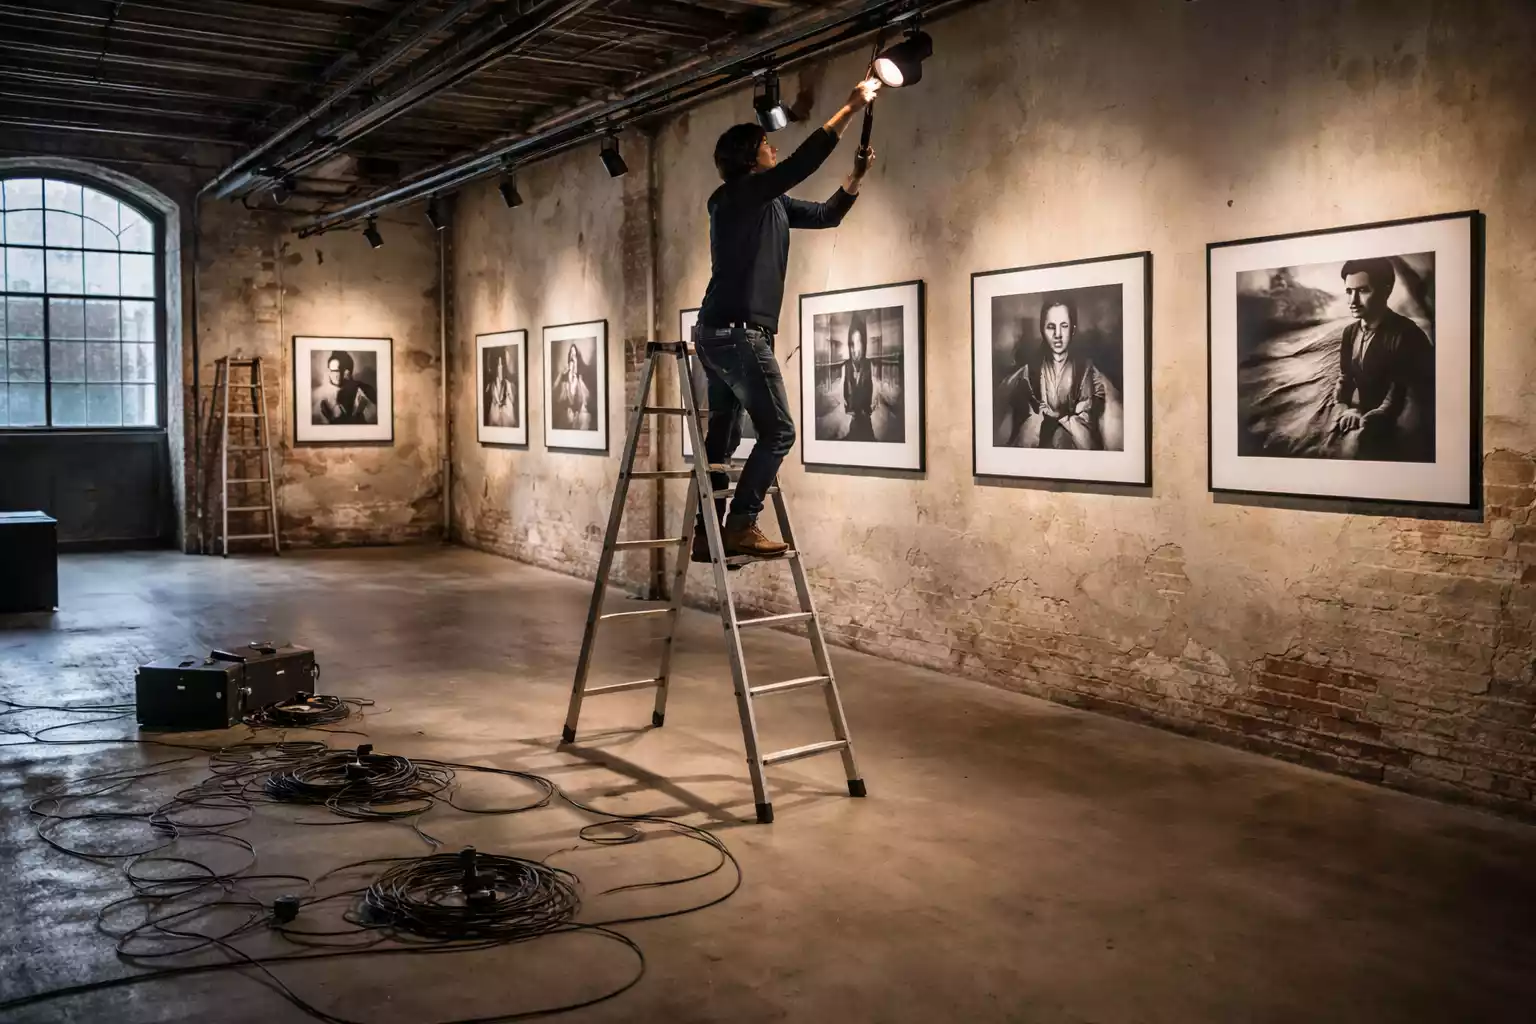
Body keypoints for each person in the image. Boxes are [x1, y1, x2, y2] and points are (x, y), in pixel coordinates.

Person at [692, 74, 880, 561]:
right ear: (748, 157)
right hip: (735, 334)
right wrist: (849, 106)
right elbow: (802, 163)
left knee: (725, 435)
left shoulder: (768, 202)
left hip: (725, 333)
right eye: (765, 144)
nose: (772, 148)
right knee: (779, 432)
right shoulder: (737, 196)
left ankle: (706, 532)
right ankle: (741, 524)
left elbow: (825, 215)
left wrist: (854, 178)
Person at [1332, 257, 1434, 461]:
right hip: (1363, 414)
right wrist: (1346, 408)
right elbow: (1345, 378)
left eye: (1363, 291)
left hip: (1401, 422)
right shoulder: (1349, 333)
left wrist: (1367, 419)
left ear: (1386, 290)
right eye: (1349, 292)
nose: (1353, 301)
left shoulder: (1407, 334)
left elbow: (1399, 396)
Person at [998, 296, 1106, 449]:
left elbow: (1087, 416)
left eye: (1064, 326)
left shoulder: (1085, 371)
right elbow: (1021, 415)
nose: (1058, 334)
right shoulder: (1029, 373)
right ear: (1042, 329)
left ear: (1073, 329)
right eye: (1051, 327)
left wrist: (1061, 419)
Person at [314, 350, 376, 425]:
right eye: (331, 371)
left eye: (336, 371)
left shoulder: (364, 392)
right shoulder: (324, 399)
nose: (332, 375)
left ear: (347, 372)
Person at [841, 313, 875, 442]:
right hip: (852, 416)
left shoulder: (867, 365)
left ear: (864, 344)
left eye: (859, 343)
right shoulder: (847, 366)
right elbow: (845, 390)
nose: (855, 349)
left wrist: (867, 410)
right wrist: (849, 409)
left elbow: (871, 389)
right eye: (852, 344)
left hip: (865, 417)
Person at [552, 343, 593, 431]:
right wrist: (561, 375)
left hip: (580, 415)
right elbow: (556, 396)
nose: (572, 358)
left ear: (578, 358)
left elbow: (588, 399)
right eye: (571, 354)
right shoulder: (565, 377)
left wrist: (578, 378)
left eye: (574, 355)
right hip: (567, 416)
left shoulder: (582, 377)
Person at [485, 351, 517, 428]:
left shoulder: (510, 386)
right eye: (498, 365)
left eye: (502, 364)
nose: (500, 368)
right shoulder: (489, 387)